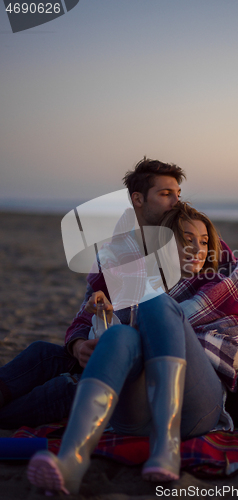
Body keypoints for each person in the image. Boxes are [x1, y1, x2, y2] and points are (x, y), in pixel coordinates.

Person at [27, 202, 238, 494]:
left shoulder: (218, 282)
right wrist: (101, 317)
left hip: (196, 407)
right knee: (119, 337)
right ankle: (71, 461)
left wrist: (161, 320)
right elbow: (98, 337)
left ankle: (167, 445)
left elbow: (235, 342)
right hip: (134, 415)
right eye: (186, 239)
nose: (198, 248)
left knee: (154, 303)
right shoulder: (131, 279)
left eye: (203, 241)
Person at [0, 158, 186, 428]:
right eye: (166, 194)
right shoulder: (115, 251)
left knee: (69, 387)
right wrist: (78, 346)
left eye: (178, 194)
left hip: (149, 364)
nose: (176, 202)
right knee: (42, 353)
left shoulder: (192, 242)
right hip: (106, 347)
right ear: (138, 199)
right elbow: (84, 314)